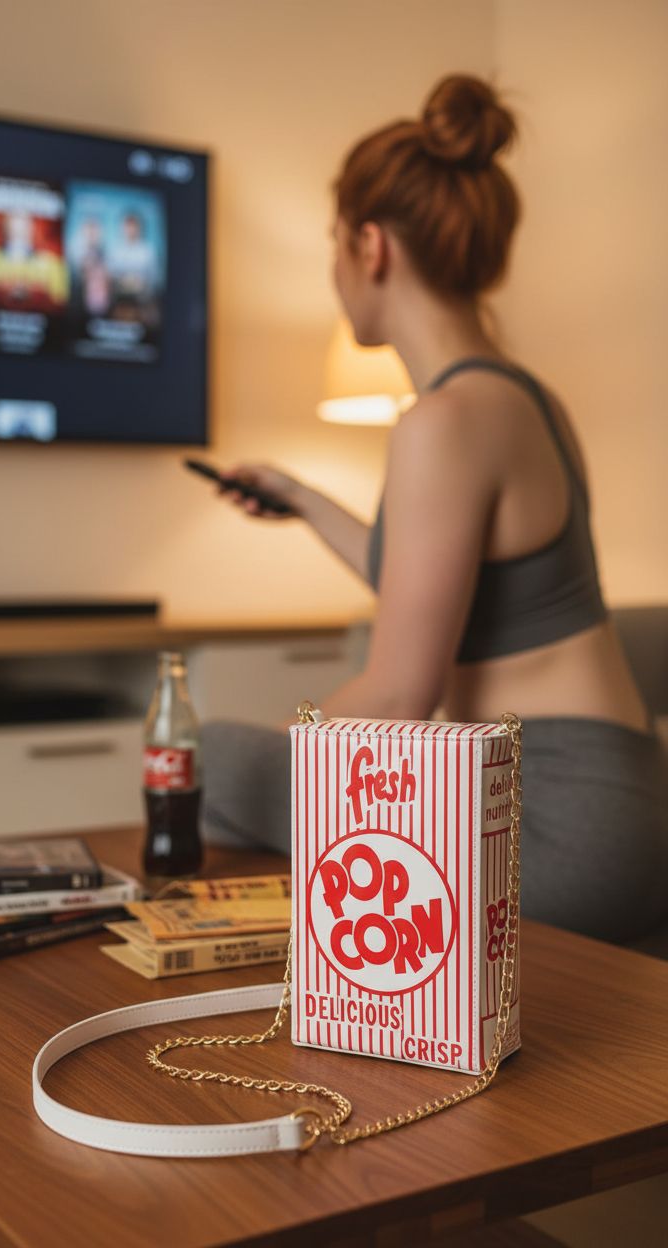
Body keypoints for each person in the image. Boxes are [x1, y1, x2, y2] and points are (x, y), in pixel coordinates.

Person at [201, 74, 668, 951]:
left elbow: (398, 691)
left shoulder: (441, 424)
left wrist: (285, 747)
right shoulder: (525, 399)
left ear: (370, 246)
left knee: (211, 759)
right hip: (622, 802)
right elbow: (440, 578)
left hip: (552, 820)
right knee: (260, 767)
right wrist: (301, 500)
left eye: (333, 244)